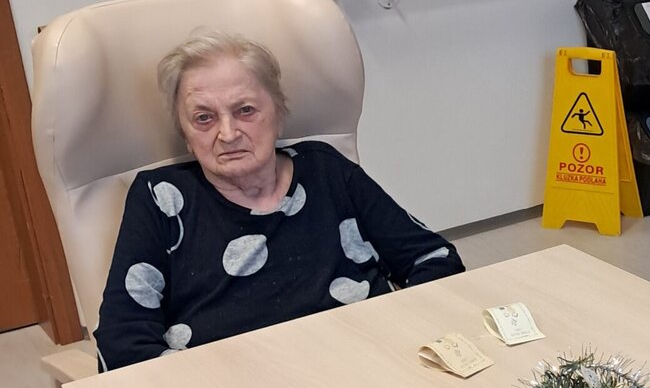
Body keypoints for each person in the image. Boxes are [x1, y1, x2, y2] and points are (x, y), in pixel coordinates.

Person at [95, 30, 465, 369]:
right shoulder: (161, 199)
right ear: (185, 134)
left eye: (245, 110)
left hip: (369, 368)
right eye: (204, 118)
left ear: (279, 113)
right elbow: (122, 342)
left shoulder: (326, 170)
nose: (228, 133)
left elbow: (434, 259)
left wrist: (391, 341)